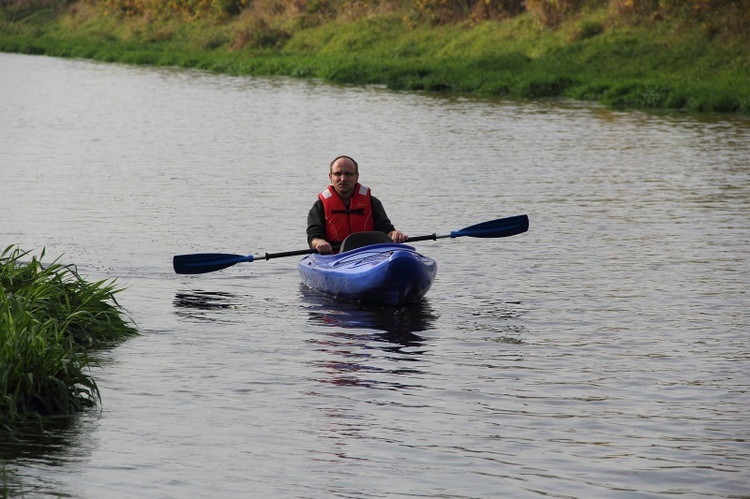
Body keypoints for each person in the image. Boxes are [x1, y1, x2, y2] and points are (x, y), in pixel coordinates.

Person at [307, 155, 408, 254]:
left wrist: (395, 234)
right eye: (338, 174)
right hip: (335, 258)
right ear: (330, 177)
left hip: (369, 256)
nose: (343, 179)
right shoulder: (319, 206)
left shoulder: (372, 203)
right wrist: (319, 242)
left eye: (348, 174)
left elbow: (386, 229)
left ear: (356, 176)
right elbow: (314, 236)